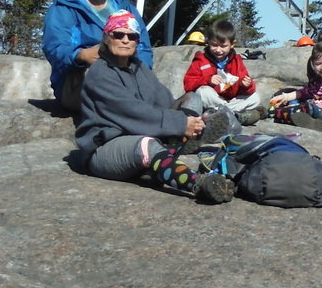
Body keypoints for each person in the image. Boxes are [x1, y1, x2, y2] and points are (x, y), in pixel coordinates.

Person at [75, 12, 236, 203]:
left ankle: (174, 146)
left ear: (137, 41)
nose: (125, 40)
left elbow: (164, 101)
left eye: (132, 36)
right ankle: (197, 182)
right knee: (146, 145)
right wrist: (179, 123)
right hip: (105, 148)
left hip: (143, 131)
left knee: (192, 97)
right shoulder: (99, 74)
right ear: (107, 38)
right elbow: (131, 112)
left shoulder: (139, 67)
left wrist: (188, 119)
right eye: (118, 35)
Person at [42, 0, 153, 112]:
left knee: (149, 85)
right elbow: (54, 47)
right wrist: (81, 56)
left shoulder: (126, 8)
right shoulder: (64, 8)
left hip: (124, 76)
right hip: (77, 80)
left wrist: (139, 71)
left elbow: (143, 48)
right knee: (95, 74)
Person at [180, 18, 266, 126]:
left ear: (232, 44)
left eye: (223, 46)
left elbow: (248, 89)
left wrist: (245, 85)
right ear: (208, 42)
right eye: (214, 45)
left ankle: (220, 114)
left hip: (229, 100)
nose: (218, 50)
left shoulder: (237, 61)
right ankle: (233, 115)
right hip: (212, 100)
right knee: (203, 92)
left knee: (255, 98)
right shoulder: (201, 60)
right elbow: (188, 84)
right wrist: (208, 80)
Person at [269, 40, 322, 137]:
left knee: (312, 108)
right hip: (318, 114)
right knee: (295, 100)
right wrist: (286, 97)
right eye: (318, 64)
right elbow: (304, 92)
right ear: (313, 63)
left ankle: (291, 115)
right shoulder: (318, 80)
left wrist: (300, 108)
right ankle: (308, 122)